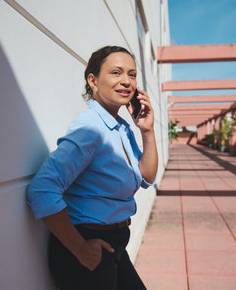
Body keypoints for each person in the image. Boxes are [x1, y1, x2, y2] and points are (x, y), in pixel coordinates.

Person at [27, 46, 158, 290]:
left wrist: (147, 130)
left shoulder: (120, 127)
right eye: (116, 73)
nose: (126, 81)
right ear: (93, 80)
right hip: (87, 247)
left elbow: (147, 176)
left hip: (114, 244)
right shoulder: (91, 129)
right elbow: (42, 190)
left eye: (132, 74)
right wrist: (81, 249)